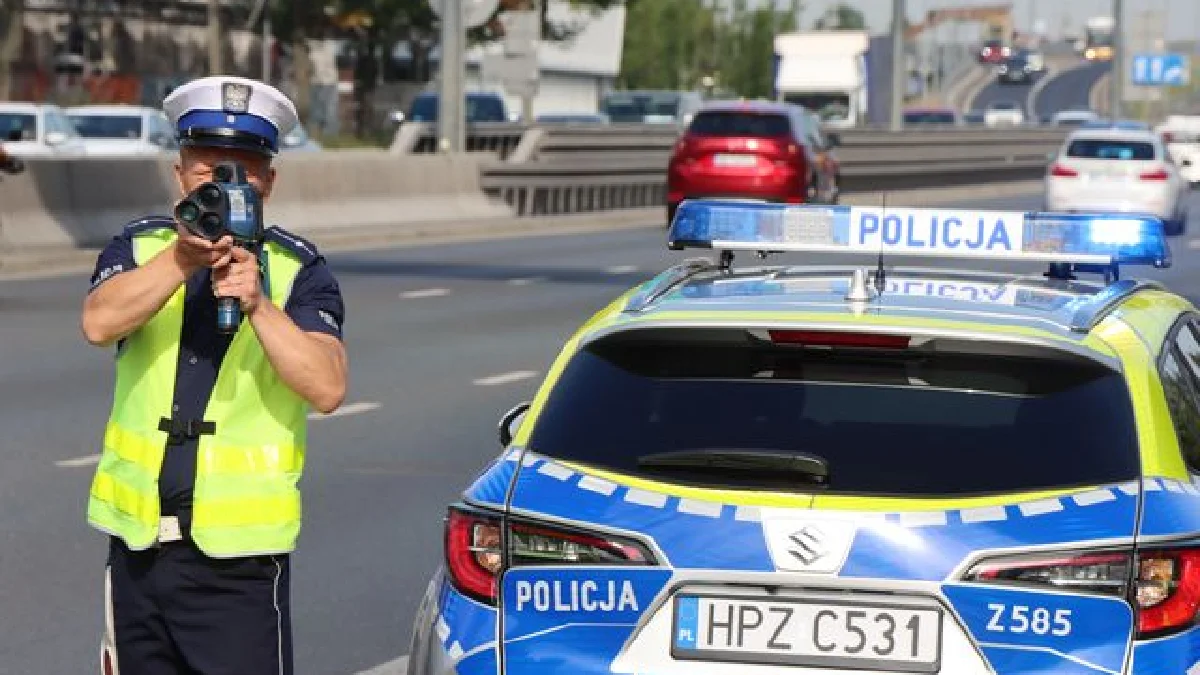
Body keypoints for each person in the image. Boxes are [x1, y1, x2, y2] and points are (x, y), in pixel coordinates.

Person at [80, 75, 348, 675]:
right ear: (180, 174)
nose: (227, 186)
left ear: (269, 182)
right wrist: (181, 259)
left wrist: (258, 305)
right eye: (209, 170)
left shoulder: (297, 269)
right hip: (138, 552)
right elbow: (99, 323)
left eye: (243, 170)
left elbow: (327, 385)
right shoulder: (142, 247)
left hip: (238, 566)